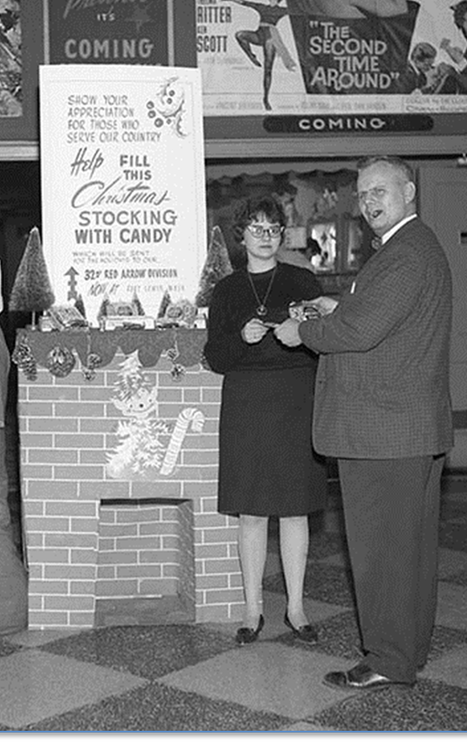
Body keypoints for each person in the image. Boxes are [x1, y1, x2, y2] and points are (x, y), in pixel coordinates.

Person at [274, 156, 453, 692]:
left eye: (381, 190)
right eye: (364, 193)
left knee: (381, 552)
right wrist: (337, 302)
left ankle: (388, 660)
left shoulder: (406, 253)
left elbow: (360, 331)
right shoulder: (409, 249)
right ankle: (407, 648)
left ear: (410, 191)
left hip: (385, 432)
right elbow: (376, 315)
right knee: (409, 550)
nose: (370, 201)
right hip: (405, 429)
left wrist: (302, 331)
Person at [203, 196, 327, 647]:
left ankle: (296, 608)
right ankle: (252, 608)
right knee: (252, 511)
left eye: (272, 229)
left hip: (296, 398)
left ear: (282, 234)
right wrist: (241, 337)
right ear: (242, 236)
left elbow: (322, 342)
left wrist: (303, 330)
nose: (265, 236)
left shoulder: (302, 280)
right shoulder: (227, 291)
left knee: (295, 509)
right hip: (246, 401)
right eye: (256, 228)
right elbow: (216, 358)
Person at [222, 0, 297, 111]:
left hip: (271, 39)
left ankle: (265, 99)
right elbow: (245, 2)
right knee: (240, 35)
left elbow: (300, 11)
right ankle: (251, 56)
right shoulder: (262, 7)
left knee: (268, 70)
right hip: (258, 35)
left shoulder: (282, 10)